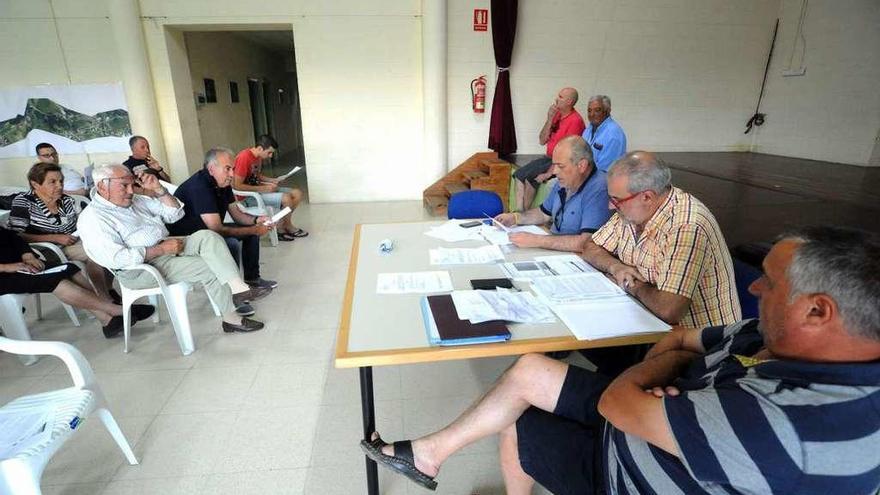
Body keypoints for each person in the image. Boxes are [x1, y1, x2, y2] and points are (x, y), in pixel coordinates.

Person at [361, 226, 880, 495]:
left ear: (817, 311)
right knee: (529, 369)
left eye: (769, 281)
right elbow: (679, 337)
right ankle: (428, 453)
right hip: (658, 416)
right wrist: (668, 369)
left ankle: (433, 454)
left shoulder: (794, 426)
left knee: (521, 423)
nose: (754, 287)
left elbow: (620, 395)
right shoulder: (773, 336)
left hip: (626, 471)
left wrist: (659, 373)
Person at [579, 151, 741, 377]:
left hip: (699, 348)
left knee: (609, 376)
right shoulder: (630, 210)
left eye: (616, 200)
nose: (610, 206)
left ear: (646, 196)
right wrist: (616, 268)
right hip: (648, 326)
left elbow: (669, 309)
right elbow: (590, 247)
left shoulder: (686, 225)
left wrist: (630, 283)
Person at [77, 164, 269, 334]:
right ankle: (231, 319)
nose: (130, 190)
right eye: (124, 186)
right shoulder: (93, 218)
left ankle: (238, 288)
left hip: (166, 247)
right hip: (139, 269)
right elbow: (117, 258)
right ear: (103, 186)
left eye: (131, 184)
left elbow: (175, 214)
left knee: (209, 236)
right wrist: (160, 250)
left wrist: (159, 190)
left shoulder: (135, 201)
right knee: (209, 266)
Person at [0, 227, 153, 338]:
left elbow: (12, 237)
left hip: (22, 264)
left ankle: (106, 320)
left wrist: (28, 256)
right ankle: (118, 310)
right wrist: (8, 267)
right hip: (5, 276)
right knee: (56, 281)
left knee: (70, 268)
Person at [169, 147, 277, 290]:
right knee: (231, 243)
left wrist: (256, 221)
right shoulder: (200, 187)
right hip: (187, 238)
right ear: (212, 169)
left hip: (206, 229)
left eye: (232, 169)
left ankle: (252, 279)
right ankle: (234, 291)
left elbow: (237, 214)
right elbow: (217, 230)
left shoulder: (223, 183)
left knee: (251, 233)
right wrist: (255, 229)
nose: (232, 174)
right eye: (227, 169)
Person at [8, 162, 114, 300]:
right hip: (46, 250)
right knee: (95, 252)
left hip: (74, 242)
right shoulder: (24, 202)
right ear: (35, 184)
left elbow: (82, 222)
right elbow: (16, 236)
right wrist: (54, 238)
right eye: (52, 182)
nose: (60, 185)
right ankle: (106, 299)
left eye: (61, 181)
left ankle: (107, 291)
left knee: (109, 245)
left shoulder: (67, 200)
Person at [493, 136, 610, 252]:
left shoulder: (599, 189)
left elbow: (585, 243)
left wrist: (536, 240)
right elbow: (543, 213)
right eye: (554, 165)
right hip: (555, 251)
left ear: (582, 166)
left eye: (561, 166)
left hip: (577, 258)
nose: (555, 171)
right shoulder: (565, 181)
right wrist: (515, 218)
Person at [512, 87, 586, 211]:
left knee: (532, 179)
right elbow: (542, 140)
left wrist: (549, 173)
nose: (556, 99)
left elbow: (568, 153)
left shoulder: (575, 121)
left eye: (561, 97)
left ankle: (521, 215)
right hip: (548, 157)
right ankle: (518, 211)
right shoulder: (556, 115)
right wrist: (550, 119)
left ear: (569, 102)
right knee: (519, 175)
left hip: (560, 162)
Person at [232, 134, 306, 241]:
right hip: (247, 197)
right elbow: (237, 185)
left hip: (258, 190)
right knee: (286, 198)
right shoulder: (244, 157)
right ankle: (286, 227)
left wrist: (272, 180)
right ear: (260, 148)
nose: (270, 156)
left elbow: (256, 175)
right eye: (269, 152)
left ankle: (281, 225)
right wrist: (263, 189)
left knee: (297, 193)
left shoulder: (258, 157)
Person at [580, 95, 627, 172]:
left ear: (607, 111)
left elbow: (603, 169)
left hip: (602, 179)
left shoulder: (614, 134)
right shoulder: (588, 130)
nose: (592, 114)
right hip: (585, 173)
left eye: (597, 110)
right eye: (589, 110)